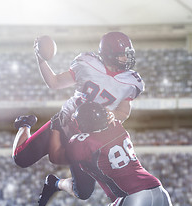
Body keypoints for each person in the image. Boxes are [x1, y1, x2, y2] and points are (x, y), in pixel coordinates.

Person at [38, 102, 186, 206]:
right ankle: (56, 184)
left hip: (132, 199)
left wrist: (56, 128)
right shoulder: (117, 126)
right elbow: (108, 117)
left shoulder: (83, 142)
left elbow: (56, 156)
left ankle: (56, 183)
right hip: (158, 193)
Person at [12, 31, 144, 167]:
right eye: (122, 55)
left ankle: (59, 182)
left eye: (128, 54)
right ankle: (25, 124)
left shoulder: (131, 82)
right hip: (64, 122)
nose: (127, 58)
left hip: (92, 134)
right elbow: (55, 82)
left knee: (83, 177)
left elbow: (123, 112)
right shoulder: (87, 63)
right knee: (21, 159)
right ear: (108, 54)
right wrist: (41, 59)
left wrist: (113, 115)